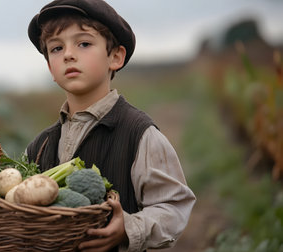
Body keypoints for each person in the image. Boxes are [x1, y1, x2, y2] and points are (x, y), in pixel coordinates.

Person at [26, 0, 196, 251]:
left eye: (84, 43)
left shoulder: (139, 133)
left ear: (115, 56)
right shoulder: (39, 146)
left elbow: (173, 206)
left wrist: (128, 228)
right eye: (56, 48)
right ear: (51, 67)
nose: (68, 54)